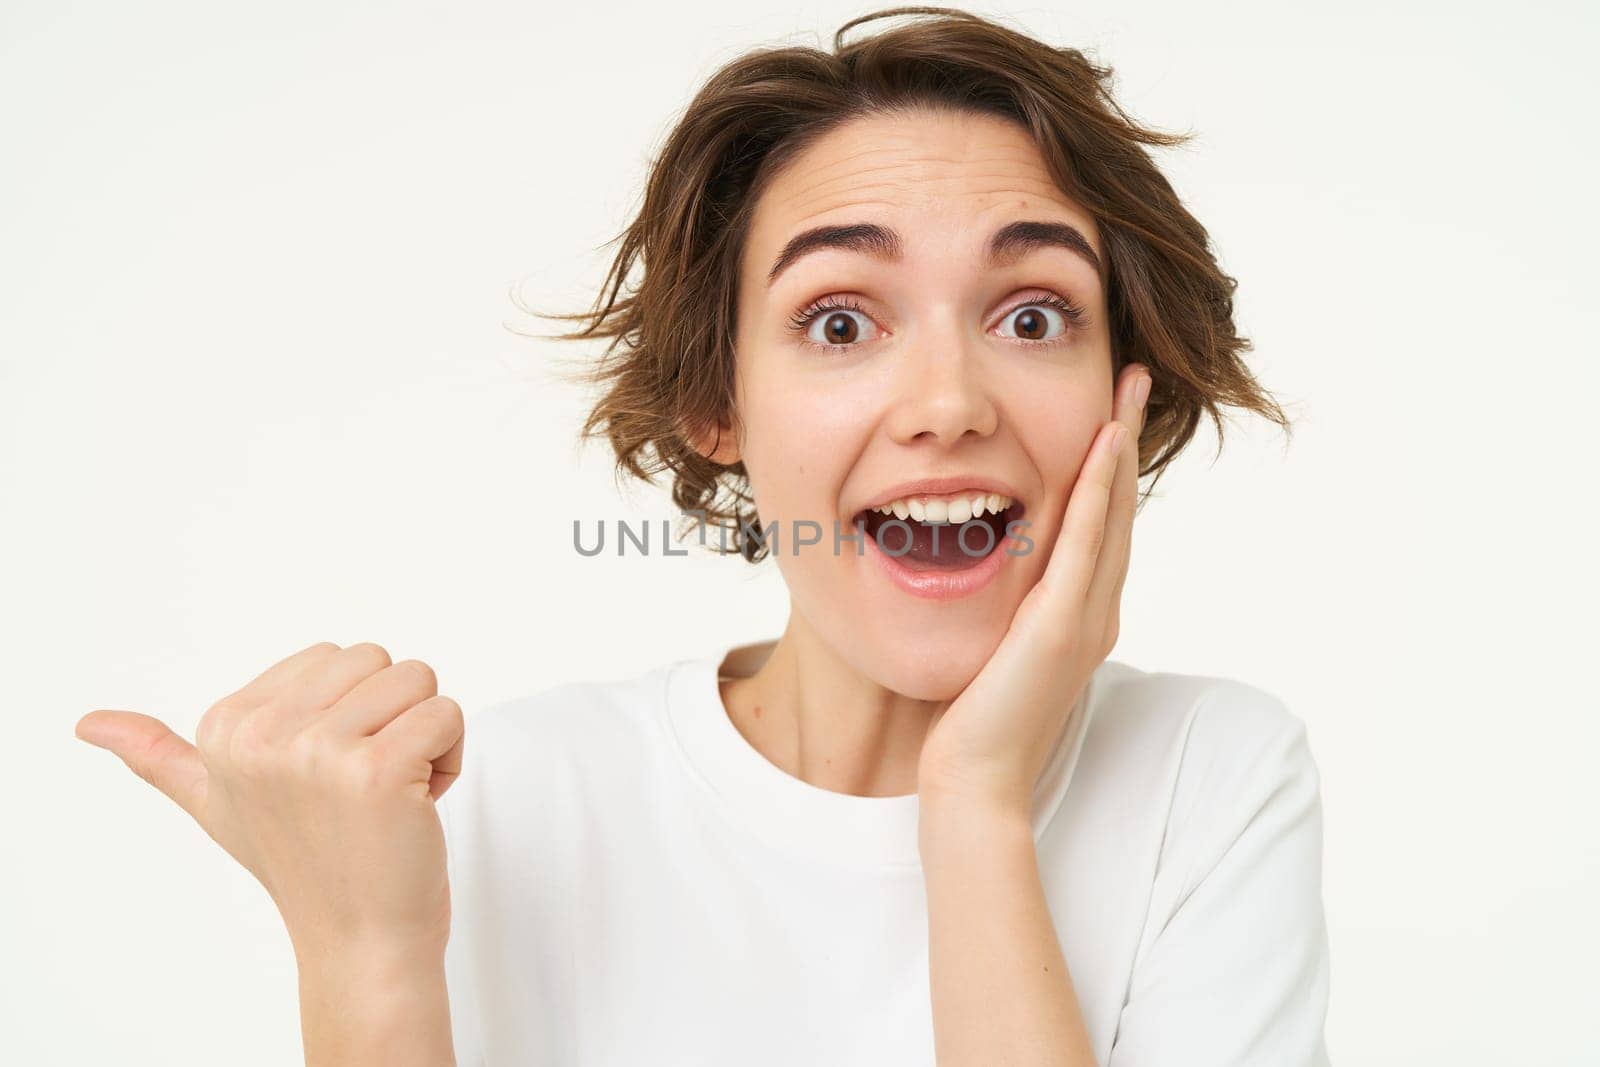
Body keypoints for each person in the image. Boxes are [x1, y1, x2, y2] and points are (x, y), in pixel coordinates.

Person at [74, 7, 1331, 1065]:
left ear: (1130, 379)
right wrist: (362, 956)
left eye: (1035, 314)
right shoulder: (494, 803)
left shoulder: (1207, 777)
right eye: (841, 321)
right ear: (716, 403)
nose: (950, 403)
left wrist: (976, 801)